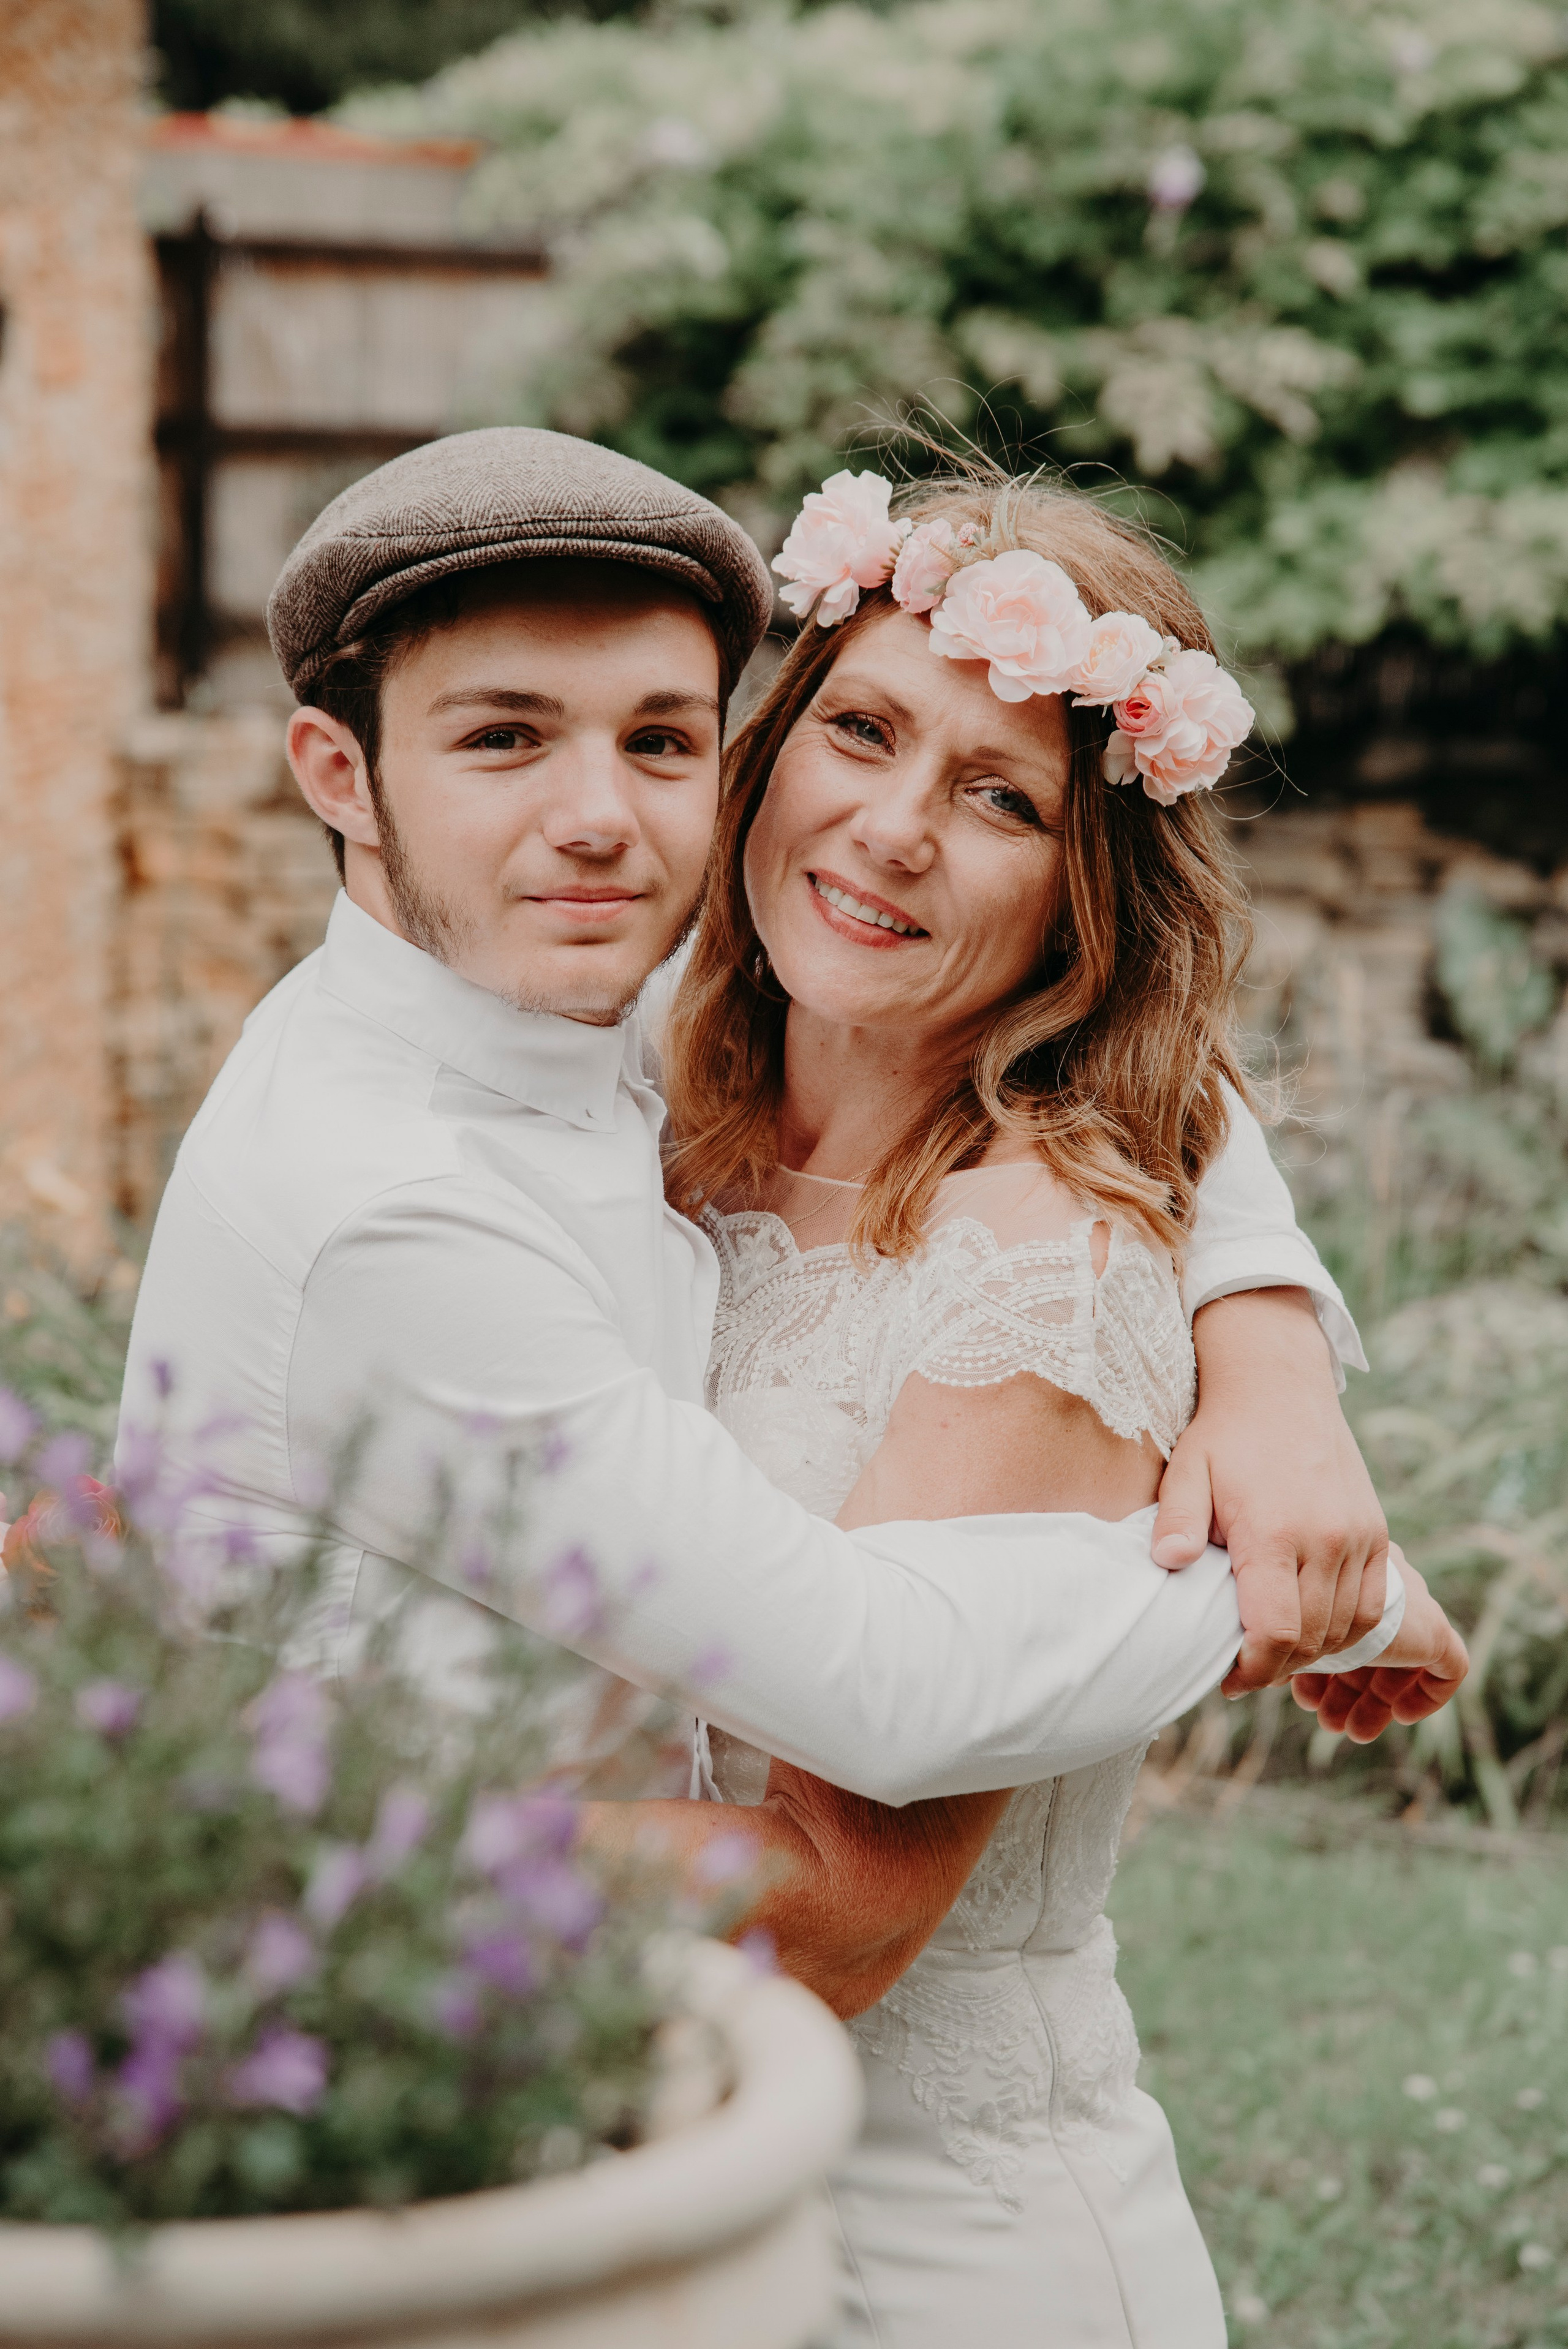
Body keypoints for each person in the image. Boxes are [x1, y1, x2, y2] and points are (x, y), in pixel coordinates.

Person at [116, 426, 1439, 1850]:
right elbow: (885, 1692)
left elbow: (1121, 1044)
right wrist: (1322, 1591)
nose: (596, 822)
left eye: (659, 741)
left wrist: (1266, 1341)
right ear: (337, 773)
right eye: (501, 737)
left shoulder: (587, 1004)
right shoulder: (403, 1204)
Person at [567, 463, 1466, 2345]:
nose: (892, 828)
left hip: (923, 2245)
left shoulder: (1035, 1265)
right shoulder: (648, 1106)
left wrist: (326, 1835)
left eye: (998, 798)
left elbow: (838, 1922)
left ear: (1082, 890)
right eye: (864, 730)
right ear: (768, 748)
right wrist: (1273, 1326)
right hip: (646, 2188)